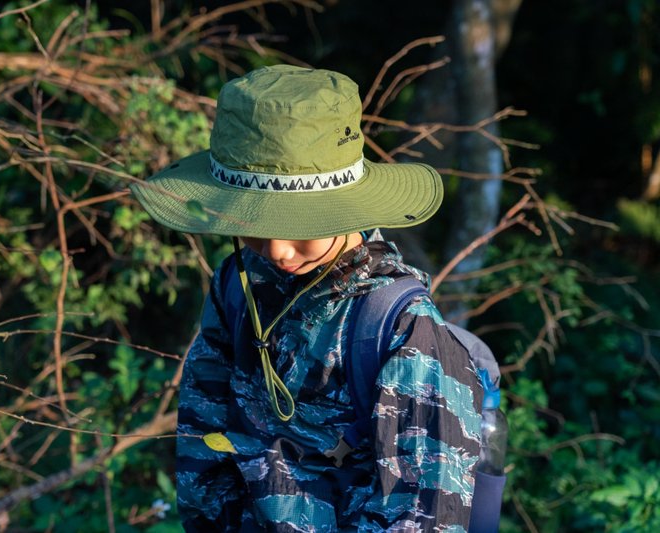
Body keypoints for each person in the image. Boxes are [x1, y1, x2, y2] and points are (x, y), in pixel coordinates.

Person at [131, 64, 483, 532]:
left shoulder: (398, 327)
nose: (277, 251)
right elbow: (203, 437)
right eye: (255, 225)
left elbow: (423, 513)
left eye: (300, 226)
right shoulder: (239, 285)